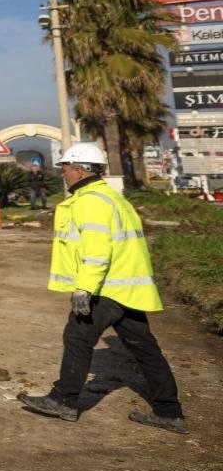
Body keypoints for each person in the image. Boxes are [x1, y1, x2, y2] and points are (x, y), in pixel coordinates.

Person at [17, 142, 187, 434]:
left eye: (67, 169)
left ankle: (64, 400)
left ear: (81, 171)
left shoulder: (90, 201)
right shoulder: (112, 197)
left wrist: (84, 288)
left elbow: (98, 251)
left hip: (105, 287)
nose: (64, 175)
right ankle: (169, 412)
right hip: (126, 287)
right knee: (145, 348)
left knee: (78, 338)